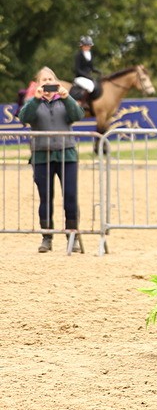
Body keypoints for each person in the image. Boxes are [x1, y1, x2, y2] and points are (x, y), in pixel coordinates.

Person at [18, 67, 84, 252]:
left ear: (56, 81)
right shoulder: (33, 102)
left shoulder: (64, 100)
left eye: (50, 78)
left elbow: (78, 115)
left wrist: (67, 97)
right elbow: (24, 118)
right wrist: (36, 99)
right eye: (43, 79)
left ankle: (73, 237)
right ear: (38, 83)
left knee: (70, 196)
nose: (47, 82)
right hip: (41, 155)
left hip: (67, 155)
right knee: (45, 198)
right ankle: (46, 238)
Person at [73, 35, 101, 105]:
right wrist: (87, 76)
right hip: (79, 77)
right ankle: (83, 103)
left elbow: (91, 67)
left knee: (98, 85)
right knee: (90, 87)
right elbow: (77, 69)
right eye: (85, 46)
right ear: (82, 46)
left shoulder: (90, 54)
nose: (87, 47)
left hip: (88, 77)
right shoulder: (78, 55)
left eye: (88, 45)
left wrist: (98, 71)